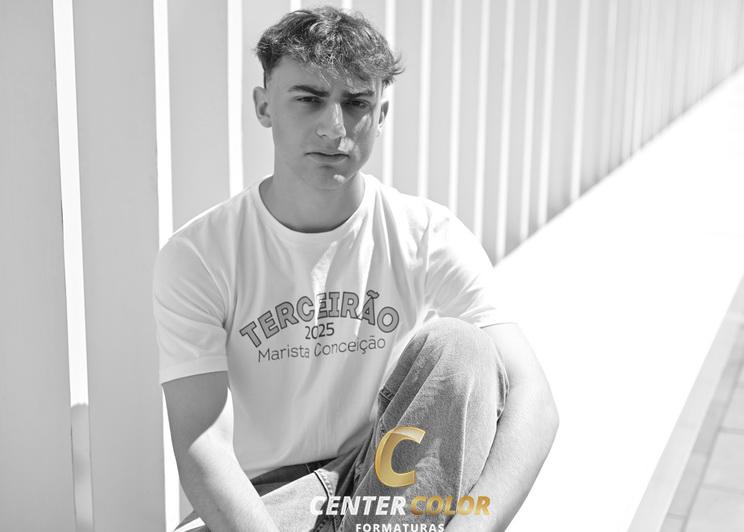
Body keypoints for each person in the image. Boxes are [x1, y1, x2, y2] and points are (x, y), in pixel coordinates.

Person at [154, 6, 558, 532]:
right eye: (309, 99)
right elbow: (201, 439)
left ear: (381, 114)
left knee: (462, 345)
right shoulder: (200, 255)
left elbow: (533, 398)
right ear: (264, 106)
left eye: (356, 102)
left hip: (390, 492)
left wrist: (472, 527)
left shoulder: (425, 234)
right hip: (270, 503)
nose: (334, 127)